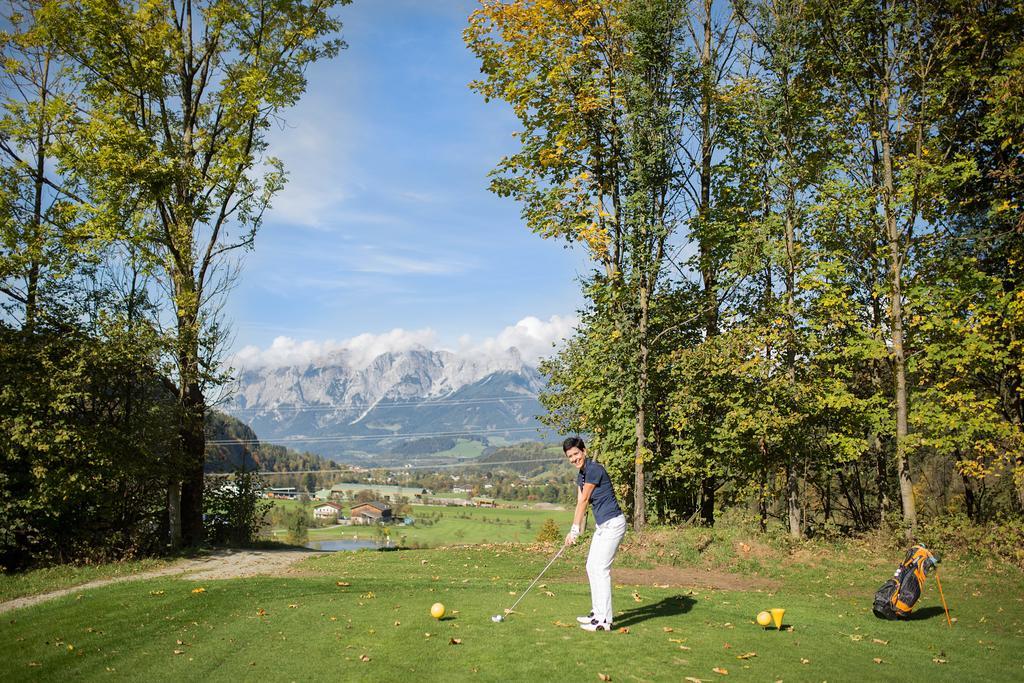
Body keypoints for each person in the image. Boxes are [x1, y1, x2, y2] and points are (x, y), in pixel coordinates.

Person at [562, 436, 627, 632]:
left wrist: (574, 529)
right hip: (603, 526)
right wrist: (576, 531)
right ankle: (596, 613)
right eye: (570, 456)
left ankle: (604, 621)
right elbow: (578, 503)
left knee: (601, 569)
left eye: (576, 454)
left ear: (584, 451)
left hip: (613, 524)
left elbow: (584, 501)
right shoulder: (581, 475)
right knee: (591, 566)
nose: (574, 459)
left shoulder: (594, 470)